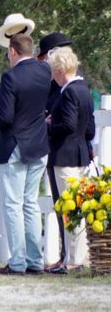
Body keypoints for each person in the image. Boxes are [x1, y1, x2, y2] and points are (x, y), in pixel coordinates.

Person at [0, 33, 50, 275]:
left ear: (12, 51)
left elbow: (6, 116)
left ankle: (18, 262)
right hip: (39, 146)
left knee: (13, 205)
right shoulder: (45, 72)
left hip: (15, 147)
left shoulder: (10, 77)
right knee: (30, 204)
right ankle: (35, 261)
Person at [46, 46, 95, 274]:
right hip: (80, 154)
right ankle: (77, 257)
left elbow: (67, 126)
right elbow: (90, 129)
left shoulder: (69, 92)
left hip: (65, 155)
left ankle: (73, 260)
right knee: (77, 208)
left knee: (70, 208)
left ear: (58, 70)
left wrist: (49, 125)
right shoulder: (84, 89)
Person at [36, 32, 74, 269]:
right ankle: (63, 254)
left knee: (66, 205)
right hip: (52, 148)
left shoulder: (64, 85)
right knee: (59, 205)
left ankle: (68, 255)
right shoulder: (49, 84)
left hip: (64, 149)